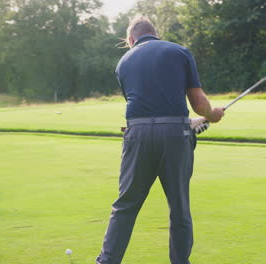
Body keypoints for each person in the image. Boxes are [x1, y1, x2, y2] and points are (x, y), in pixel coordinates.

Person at [95, 17, 225, 264]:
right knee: (179, 208)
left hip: (137, 135)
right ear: (156, 34)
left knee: (125, 206)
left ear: (131, 39)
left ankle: (107, 262)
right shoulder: (179, 51)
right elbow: (197, 103)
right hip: (176, 135)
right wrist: (212, 115)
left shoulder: (123, 63)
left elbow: (146, 111)